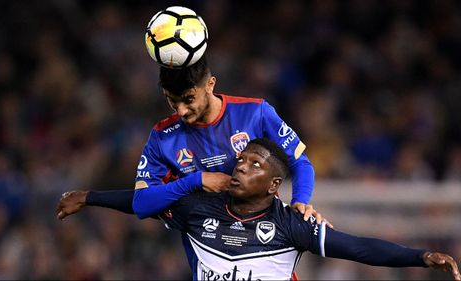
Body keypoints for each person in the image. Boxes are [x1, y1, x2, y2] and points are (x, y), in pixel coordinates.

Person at [129, 138, 461, 281]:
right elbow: (136, 202)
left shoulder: (293, 225)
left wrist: (420, 257)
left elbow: (359, 247)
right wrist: (87, 197)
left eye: (254, 164)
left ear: (274, 184)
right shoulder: (199, 209)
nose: (241, 167)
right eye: (241, 160)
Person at [57, 55, 327, 223]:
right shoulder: (163, 137)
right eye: (172, 102)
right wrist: (196, 180)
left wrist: (300, 201)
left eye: (188, 100)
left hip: (267, 242)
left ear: (209, 85)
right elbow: (143, 202)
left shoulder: (255, 112)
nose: (182, 111)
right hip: (209, 256)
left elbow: (300, 162)